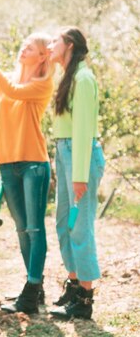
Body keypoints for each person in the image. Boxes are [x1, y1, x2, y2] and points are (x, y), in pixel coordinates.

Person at [0, 33, 53, 314]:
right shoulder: (3, 81)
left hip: (34, 164)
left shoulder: (43, 84)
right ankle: (36, 288)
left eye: (30, 47)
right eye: (23, 45)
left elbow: (15, 91)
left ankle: (30, 290)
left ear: (42, 56)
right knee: (21, 229)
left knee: (34, 227)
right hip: (7, 164)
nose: (23, 49)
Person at [47, 27, 105, 320]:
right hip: (65, 152)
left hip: (79, 156)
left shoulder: (83, 78)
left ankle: (85, 298)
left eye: (54, 41)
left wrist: (79, 175)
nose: (49, 45)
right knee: (63, 223)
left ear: (69, 45)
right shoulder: (68, 76)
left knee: (80, 226)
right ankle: (73, 284)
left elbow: (83, 130)